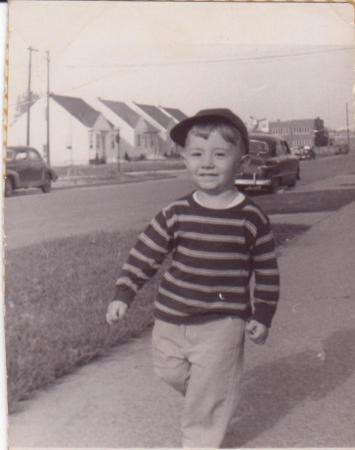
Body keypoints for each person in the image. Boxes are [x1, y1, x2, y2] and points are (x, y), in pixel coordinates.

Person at [106, 108, 280, 448]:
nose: (207, 163)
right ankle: (213, 395)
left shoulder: (251, 217)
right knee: (168, 370)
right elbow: (145, 254)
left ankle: (202, 432)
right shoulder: (176, 213)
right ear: (185, 159)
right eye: (197, 154)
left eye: (219, 154)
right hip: (172, 318)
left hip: (223, 322)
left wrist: (263, 313)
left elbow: (267, 269)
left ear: (241, 163)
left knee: (209, 394)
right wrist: (123, 293)